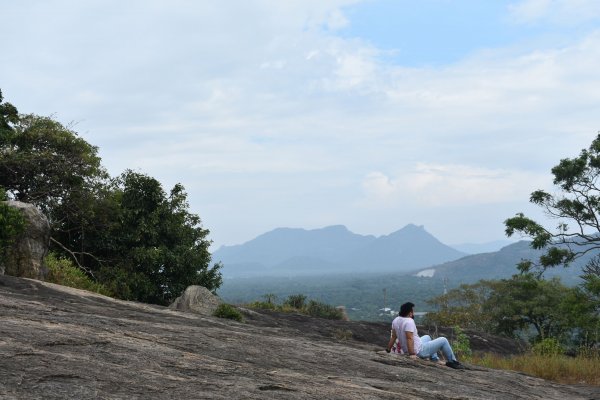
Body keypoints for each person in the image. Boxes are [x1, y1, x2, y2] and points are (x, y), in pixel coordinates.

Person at [386, 302, 465, 369]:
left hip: (412, 347)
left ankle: (434, 359)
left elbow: (393, 336)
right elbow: (409, 338)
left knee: (427, 337)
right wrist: (412, 354)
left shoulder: (396, 320)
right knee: (443, 340)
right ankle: (453, 362)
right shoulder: (409, 321)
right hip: (419, 351)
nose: (413, 313)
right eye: (412, 311)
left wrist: (388, 350)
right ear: (410, 313)